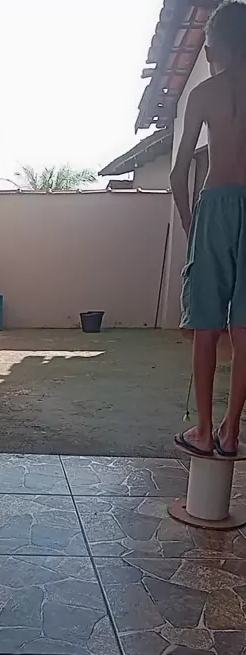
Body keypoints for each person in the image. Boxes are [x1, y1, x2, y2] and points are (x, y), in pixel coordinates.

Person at [172, 0, 246, 458]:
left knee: (206, 324)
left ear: (215, 46)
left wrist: (189, 221)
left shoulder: (203, 94)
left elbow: (178, 172)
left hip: (216, 205)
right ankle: (231, 430)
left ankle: (203, 430)